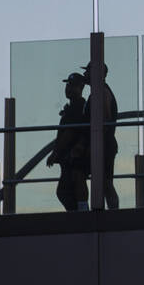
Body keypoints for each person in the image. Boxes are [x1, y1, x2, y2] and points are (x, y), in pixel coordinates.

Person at [45, 71, 89, 211]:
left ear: (81, 88)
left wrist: (55, 153)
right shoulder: (75, 107)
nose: (68, 88)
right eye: (68, 85)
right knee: (68, 189)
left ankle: (81, 214)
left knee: (71, 187)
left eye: (72, 85)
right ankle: (80, 213)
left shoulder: (77, 108)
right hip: (69, 155)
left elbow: (69, 133)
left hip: (73, 155)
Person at [82, 62, 120, 210]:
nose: (85, 75)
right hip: (104, 144)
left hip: (103, 144)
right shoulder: (100, 92)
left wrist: (94, 145)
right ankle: (112, 214)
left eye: (88, 72)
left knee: (105, 182)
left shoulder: (101, 92)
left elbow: (104, 120)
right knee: (105, 182)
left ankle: (113, 215)